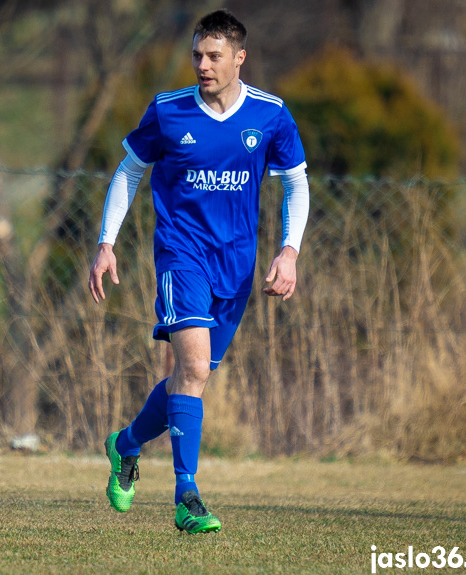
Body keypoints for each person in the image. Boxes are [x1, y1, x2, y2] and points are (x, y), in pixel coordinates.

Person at [88, 9, 309, 534]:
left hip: (236, 267)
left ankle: (124, 445)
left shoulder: (270, 115)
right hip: (180, 257)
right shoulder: (168, 111)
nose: (203, 65)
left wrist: (289, 251)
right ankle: (187, 496)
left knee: (193, 377)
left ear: (239, 58)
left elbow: (296, 183)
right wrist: (106, 243)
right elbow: (128, 172)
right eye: (196, 55)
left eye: (213, 56)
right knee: (190, 366)